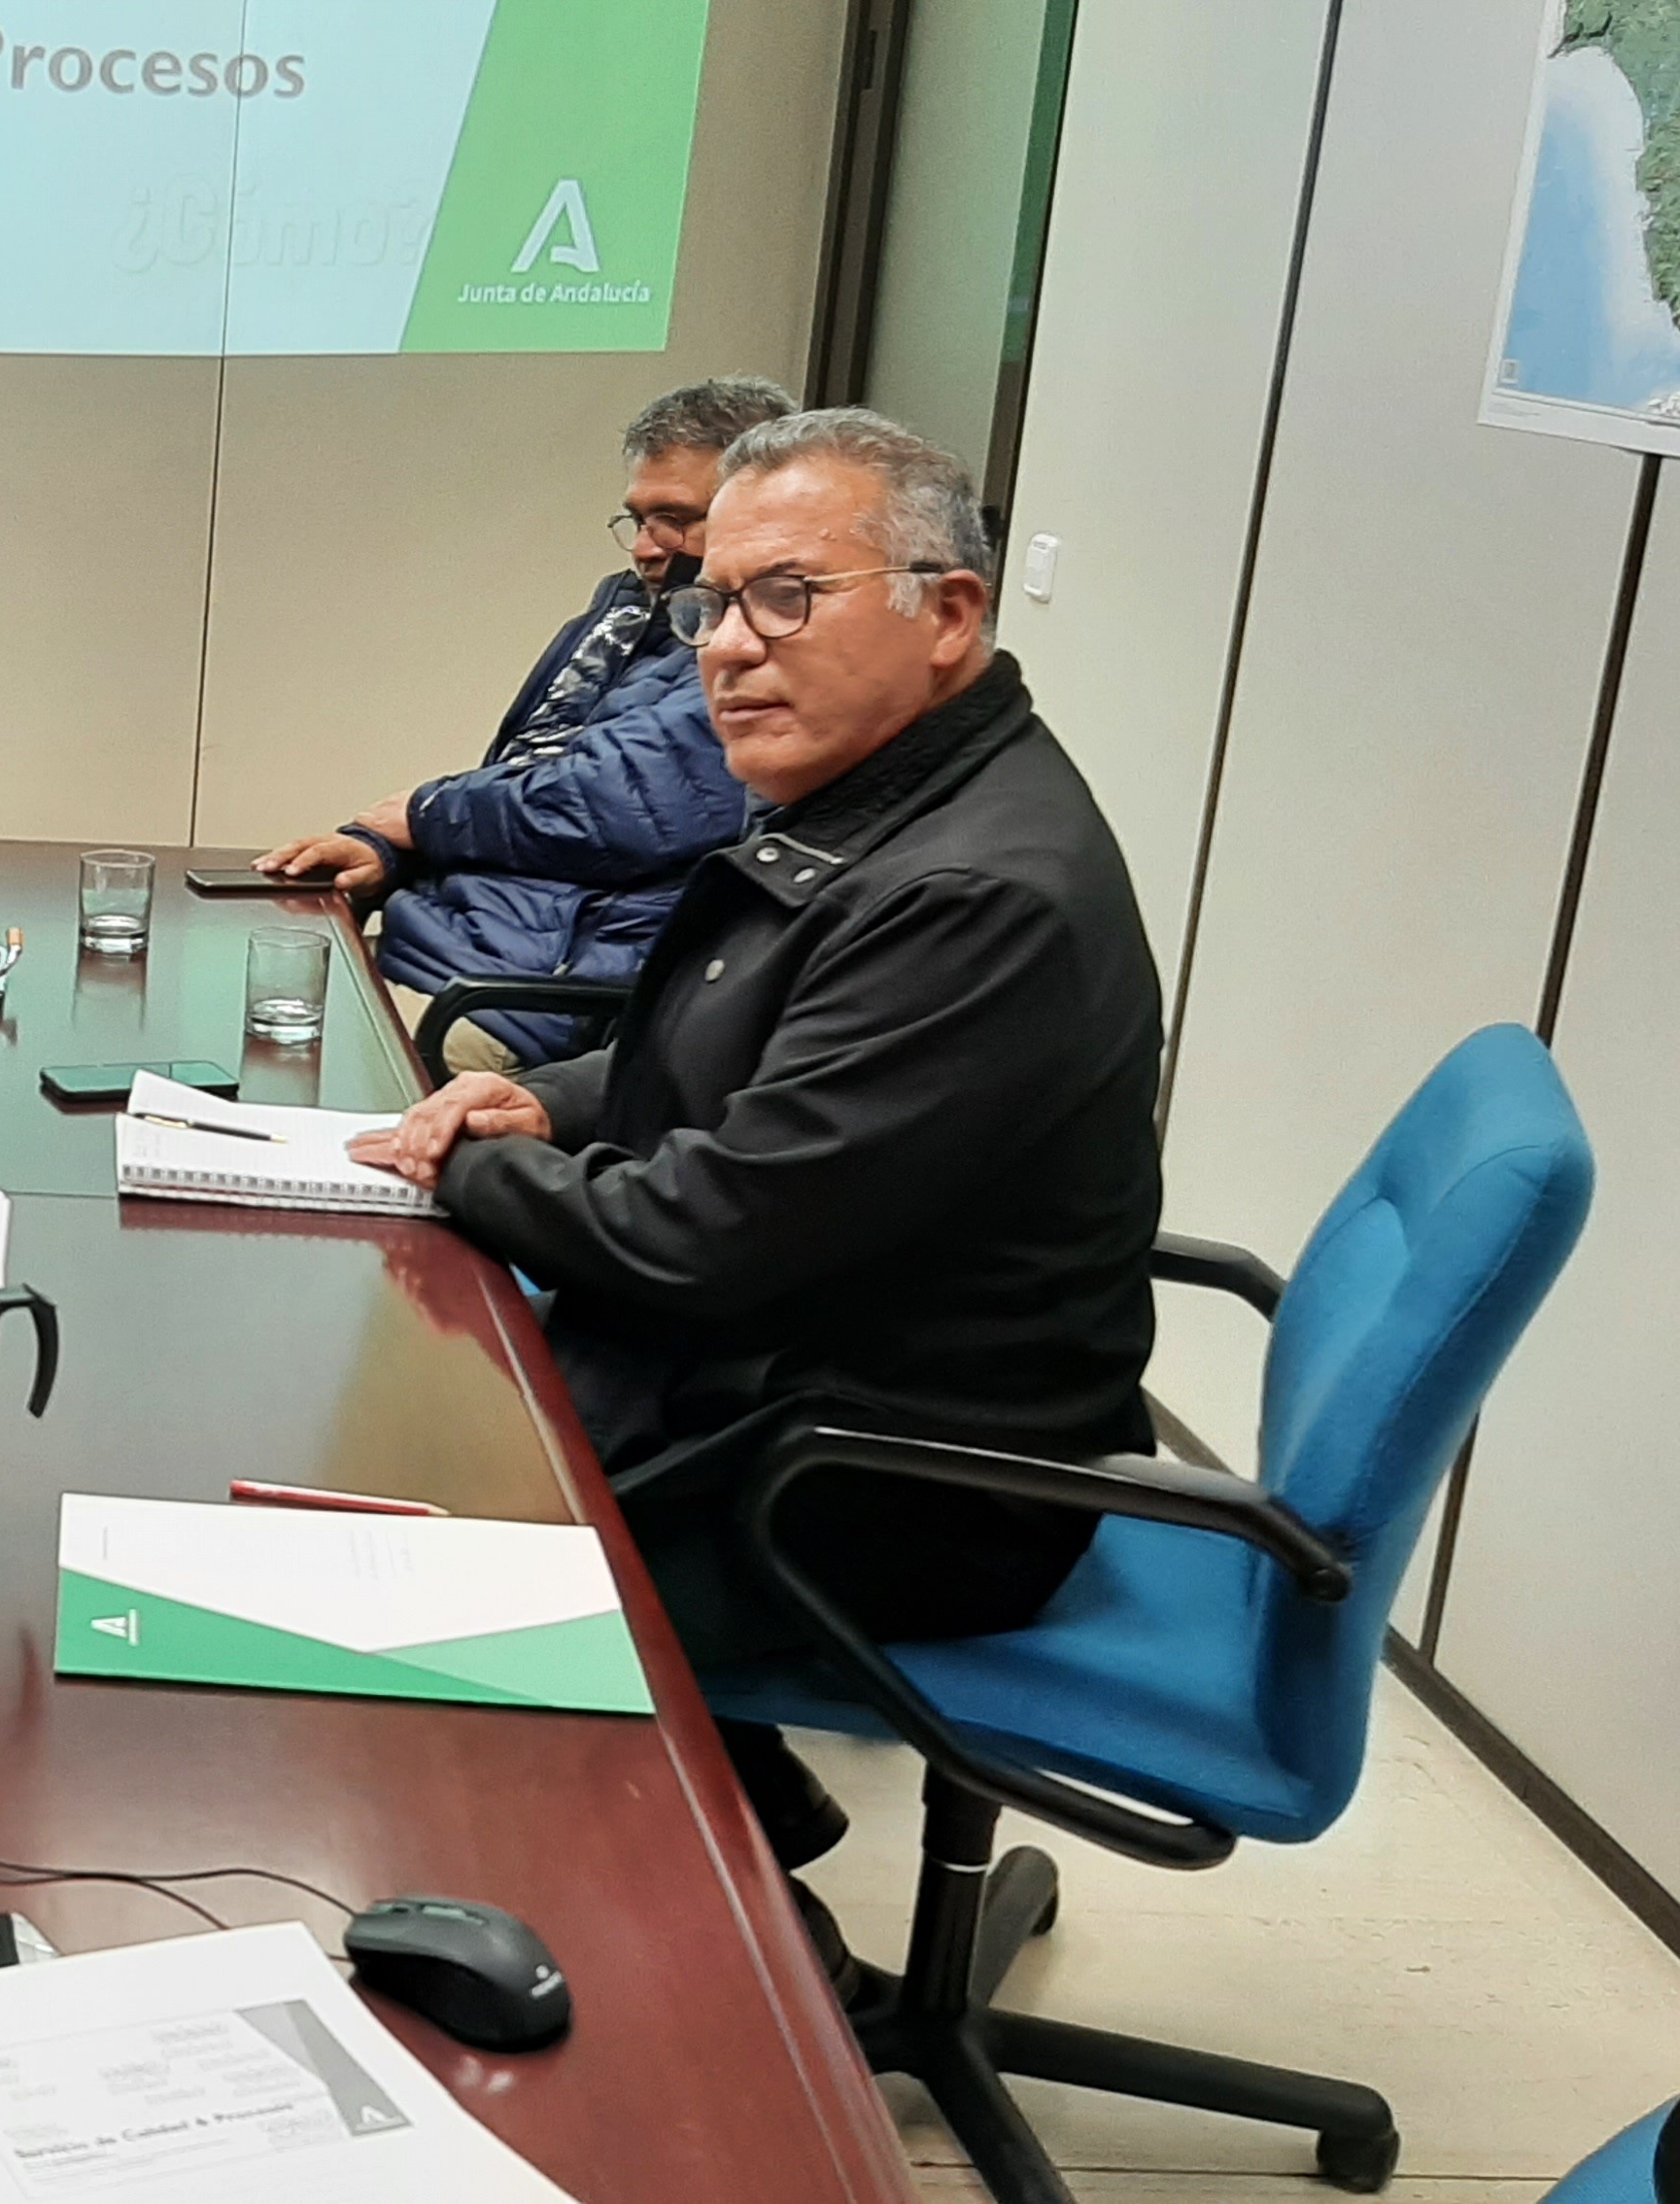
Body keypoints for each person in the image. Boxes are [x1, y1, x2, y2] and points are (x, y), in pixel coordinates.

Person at [348, 409, 1164, 1911]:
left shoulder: (977, 890)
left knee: (411, 1603)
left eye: (787, 595)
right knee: (418, 1443)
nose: (727, 643)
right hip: (797, 1385)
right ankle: (736, 1808)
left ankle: (754, 1979)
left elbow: (696, 1239)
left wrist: (460, 1172)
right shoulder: (883, 800)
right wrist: (547, 1107)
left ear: (949, 615)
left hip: (885, 1481)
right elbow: (727, 1056)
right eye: (717, 602)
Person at [257, 377, 789, 1075]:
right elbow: (523, 773)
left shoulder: (754, 648)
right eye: (638, 519)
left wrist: (423, 815)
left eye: (677, 519)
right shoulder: (622, 615)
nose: (647, 548)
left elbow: (608, 806)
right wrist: (392, 854)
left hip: (525, 1000)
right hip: (450, 946)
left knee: (268, 1064)